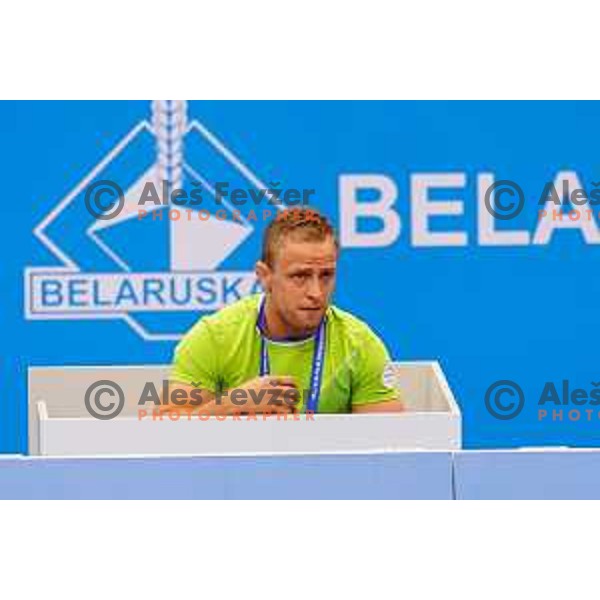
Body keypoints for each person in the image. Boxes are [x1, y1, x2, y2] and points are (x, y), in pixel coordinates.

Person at [165, 207, 404, 416]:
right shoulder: (214, 337)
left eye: (326, 275)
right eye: (300, 276)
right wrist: (233, 405)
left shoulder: (359, 344)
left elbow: (397, 447)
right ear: (264, 276)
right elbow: (164, 437)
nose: (317, 293)